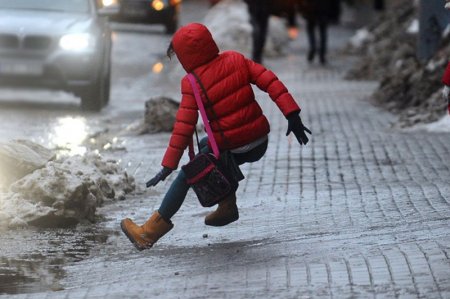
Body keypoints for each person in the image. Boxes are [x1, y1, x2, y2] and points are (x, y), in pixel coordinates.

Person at [120, 23, 311, 251]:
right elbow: (271, 82)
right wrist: (293, 115)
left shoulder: (191, 82)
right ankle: (227, 207)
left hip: (233, 146)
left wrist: (168, 166)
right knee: (205, 146)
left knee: (188, 173)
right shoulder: (235, 59)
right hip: (259, 141)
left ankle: (148, 232)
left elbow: (184, 126)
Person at [298, 0, 340, 65]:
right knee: (322, 32)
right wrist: (335, 14)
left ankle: (313, 47)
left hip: (311, 9)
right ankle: (322, 54)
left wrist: (302, 9)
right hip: (323, 10)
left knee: (312, 30)